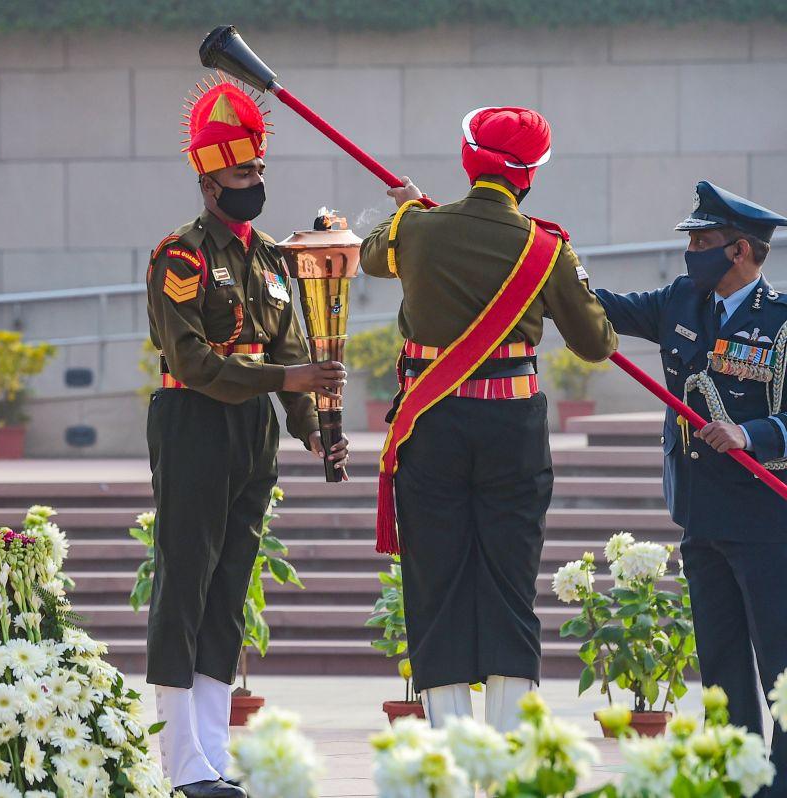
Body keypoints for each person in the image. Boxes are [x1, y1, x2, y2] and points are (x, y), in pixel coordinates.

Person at [359, 106, 617, 731]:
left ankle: (452, 751)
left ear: (468, 161)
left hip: (432, 427)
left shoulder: (415, 231)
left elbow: (371, 257)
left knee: (437, 583)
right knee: (509, 583)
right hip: (511, 434)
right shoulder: (546, 247)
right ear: (529, 176)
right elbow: (596, 344)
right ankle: (504, 752)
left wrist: (415, 211)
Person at [145, 75, 350, 798]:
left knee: (229, 588)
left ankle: (211, 757)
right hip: (193, 420)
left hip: (250, 428)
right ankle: (181, 763)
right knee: (186, 582)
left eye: (260, 170)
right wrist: (287, 386)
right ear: (208, 183)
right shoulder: (180, 256)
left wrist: (315, 431)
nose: (254, 182)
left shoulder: (268, 257)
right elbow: (194, 362)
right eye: (241, 172)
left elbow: (292, 355)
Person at [594, 181, 787, 793]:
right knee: (724, 671)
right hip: (700, 518)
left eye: (702, 241)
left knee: (780, 669)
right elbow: (609, 309)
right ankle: (737, 778)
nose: (689, 251)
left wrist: (753, 434)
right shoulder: (682, 300)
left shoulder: (781, 324)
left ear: (740, 252)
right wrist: (546, 267)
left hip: (766, 525)